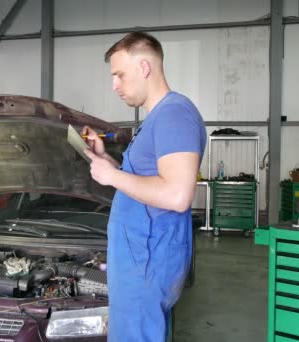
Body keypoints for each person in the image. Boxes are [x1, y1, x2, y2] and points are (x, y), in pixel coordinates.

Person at [83, 32, 207, 341]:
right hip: (140, 259)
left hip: (146, 261)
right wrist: (109, 164)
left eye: (119, 75)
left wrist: (111, 177)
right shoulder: (157, 118)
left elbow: (177, 195)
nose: (114, 85)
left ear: (144, 67)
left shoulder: (174, 114)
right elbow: (146, 182)